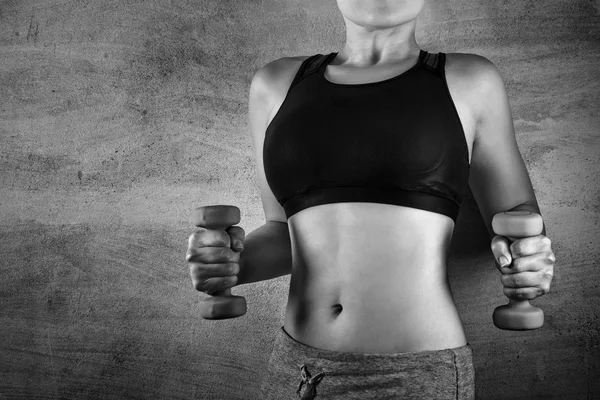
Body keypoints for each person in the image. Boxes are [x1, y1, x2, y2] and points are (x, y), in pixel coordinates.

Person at [186, 0, 556, 398]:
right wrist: (228, 262)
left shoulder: (471, 80)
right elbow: (283, 234)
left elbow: (520, 221)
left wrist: (531, 257)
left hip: (414, 371)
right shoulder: (274, 84)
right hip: (298, 369)